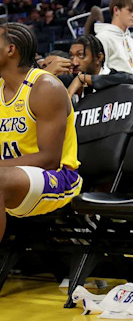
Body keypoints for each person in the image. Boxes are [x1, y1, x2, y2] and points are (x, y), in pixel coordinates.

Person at [0, 23, 82, 239]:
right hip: (10, 175)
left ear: (10, 49)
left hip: (59, 176)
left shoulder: (45, 87)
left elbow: (49, 159)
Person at [94, 0, 133, 98]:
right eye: (130, 11)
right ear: (116, 10)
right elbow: (100, 73)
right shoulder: (103, 37)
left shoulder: (131, 41)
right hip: (115, 99)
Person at [63, 35, 133, 100]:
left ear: (99, 58)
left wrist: (87, 79)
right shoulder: (70, 81)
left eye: (81, 55)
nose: (74, 62)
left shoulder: (115, 78)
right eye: (71, 56)